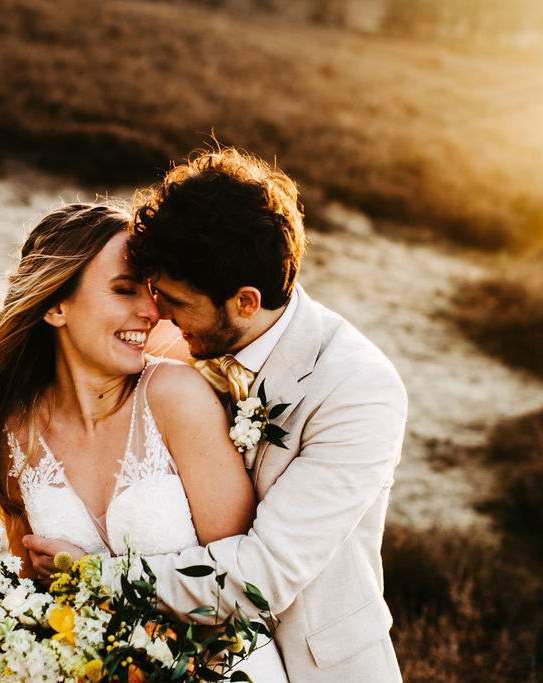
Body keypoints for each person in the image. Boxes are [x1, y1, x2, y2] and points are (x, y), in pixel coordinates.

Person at [24, 148, 408, 682]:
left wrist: (96, 578)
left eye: (174, 300)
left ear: (245, 303)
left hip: (312, 666)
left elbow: (263, 575)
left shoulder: (356, 390)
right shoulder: (170, 332)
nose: (159, 313)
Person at [0, 202, 289, 681]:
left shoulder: (174, 397)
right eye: (124, 289)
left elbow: (240, 590)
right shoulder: (13, 436)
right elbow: (34, 602)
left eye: (150, 291)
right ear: (55, 305)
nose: (151, 311)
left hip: (226, 670)